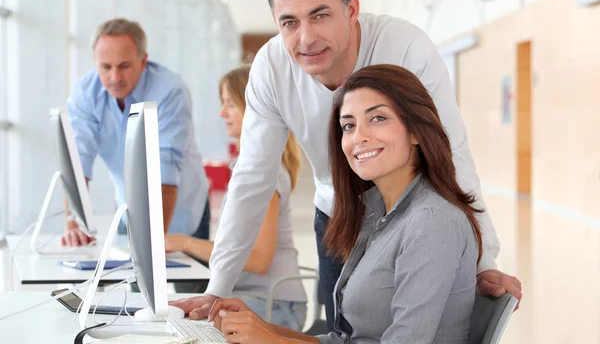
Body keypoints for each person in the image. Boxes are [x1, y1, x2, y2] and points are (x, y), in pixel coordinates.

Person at [173, 0, 522, 327]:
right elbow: (251, 178)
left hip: (412, 214)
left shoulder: (404, 46)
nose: (306, 38)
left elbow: (452, 151)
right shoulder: (271, 67)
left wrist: (483, 262)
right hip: (339, 213)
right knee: (344, 329)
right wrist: (218, 287)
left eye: (320, 15)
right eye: (289, 22)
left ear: (351, 9)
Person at [205, 64, 483, 343]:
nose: (358, 137)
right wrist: (262, 329)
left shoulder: (432, 221)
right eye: (348, 125)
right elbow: (344, 340)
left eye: (377, 118)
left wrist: (272, 341)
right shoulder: (378, 213)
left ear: (415, 131)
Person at [168, 66, 307, 330]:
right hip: (252, 298)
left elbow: (259, 260)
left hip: (276, 305)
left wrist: (184, 242)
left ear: (256, 109)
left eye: (230, 104)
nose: (222, 113)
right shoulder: (247, 167)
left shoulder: (267, 174)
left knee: (185, 325)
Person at [61, 18, 210, 244]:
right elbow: (77, 163)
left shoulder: (170, 92)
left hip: (183, 210)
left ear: (143, 61)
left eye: (124, 66)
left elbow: (165, 170)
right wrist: (74, 227)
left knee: (191, 278)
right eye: (105, 67)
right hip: (128, 209)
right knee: (129, 278)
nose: (115, 78)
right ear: (95, 62)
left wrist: (154, 245)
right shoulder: (86, 94)